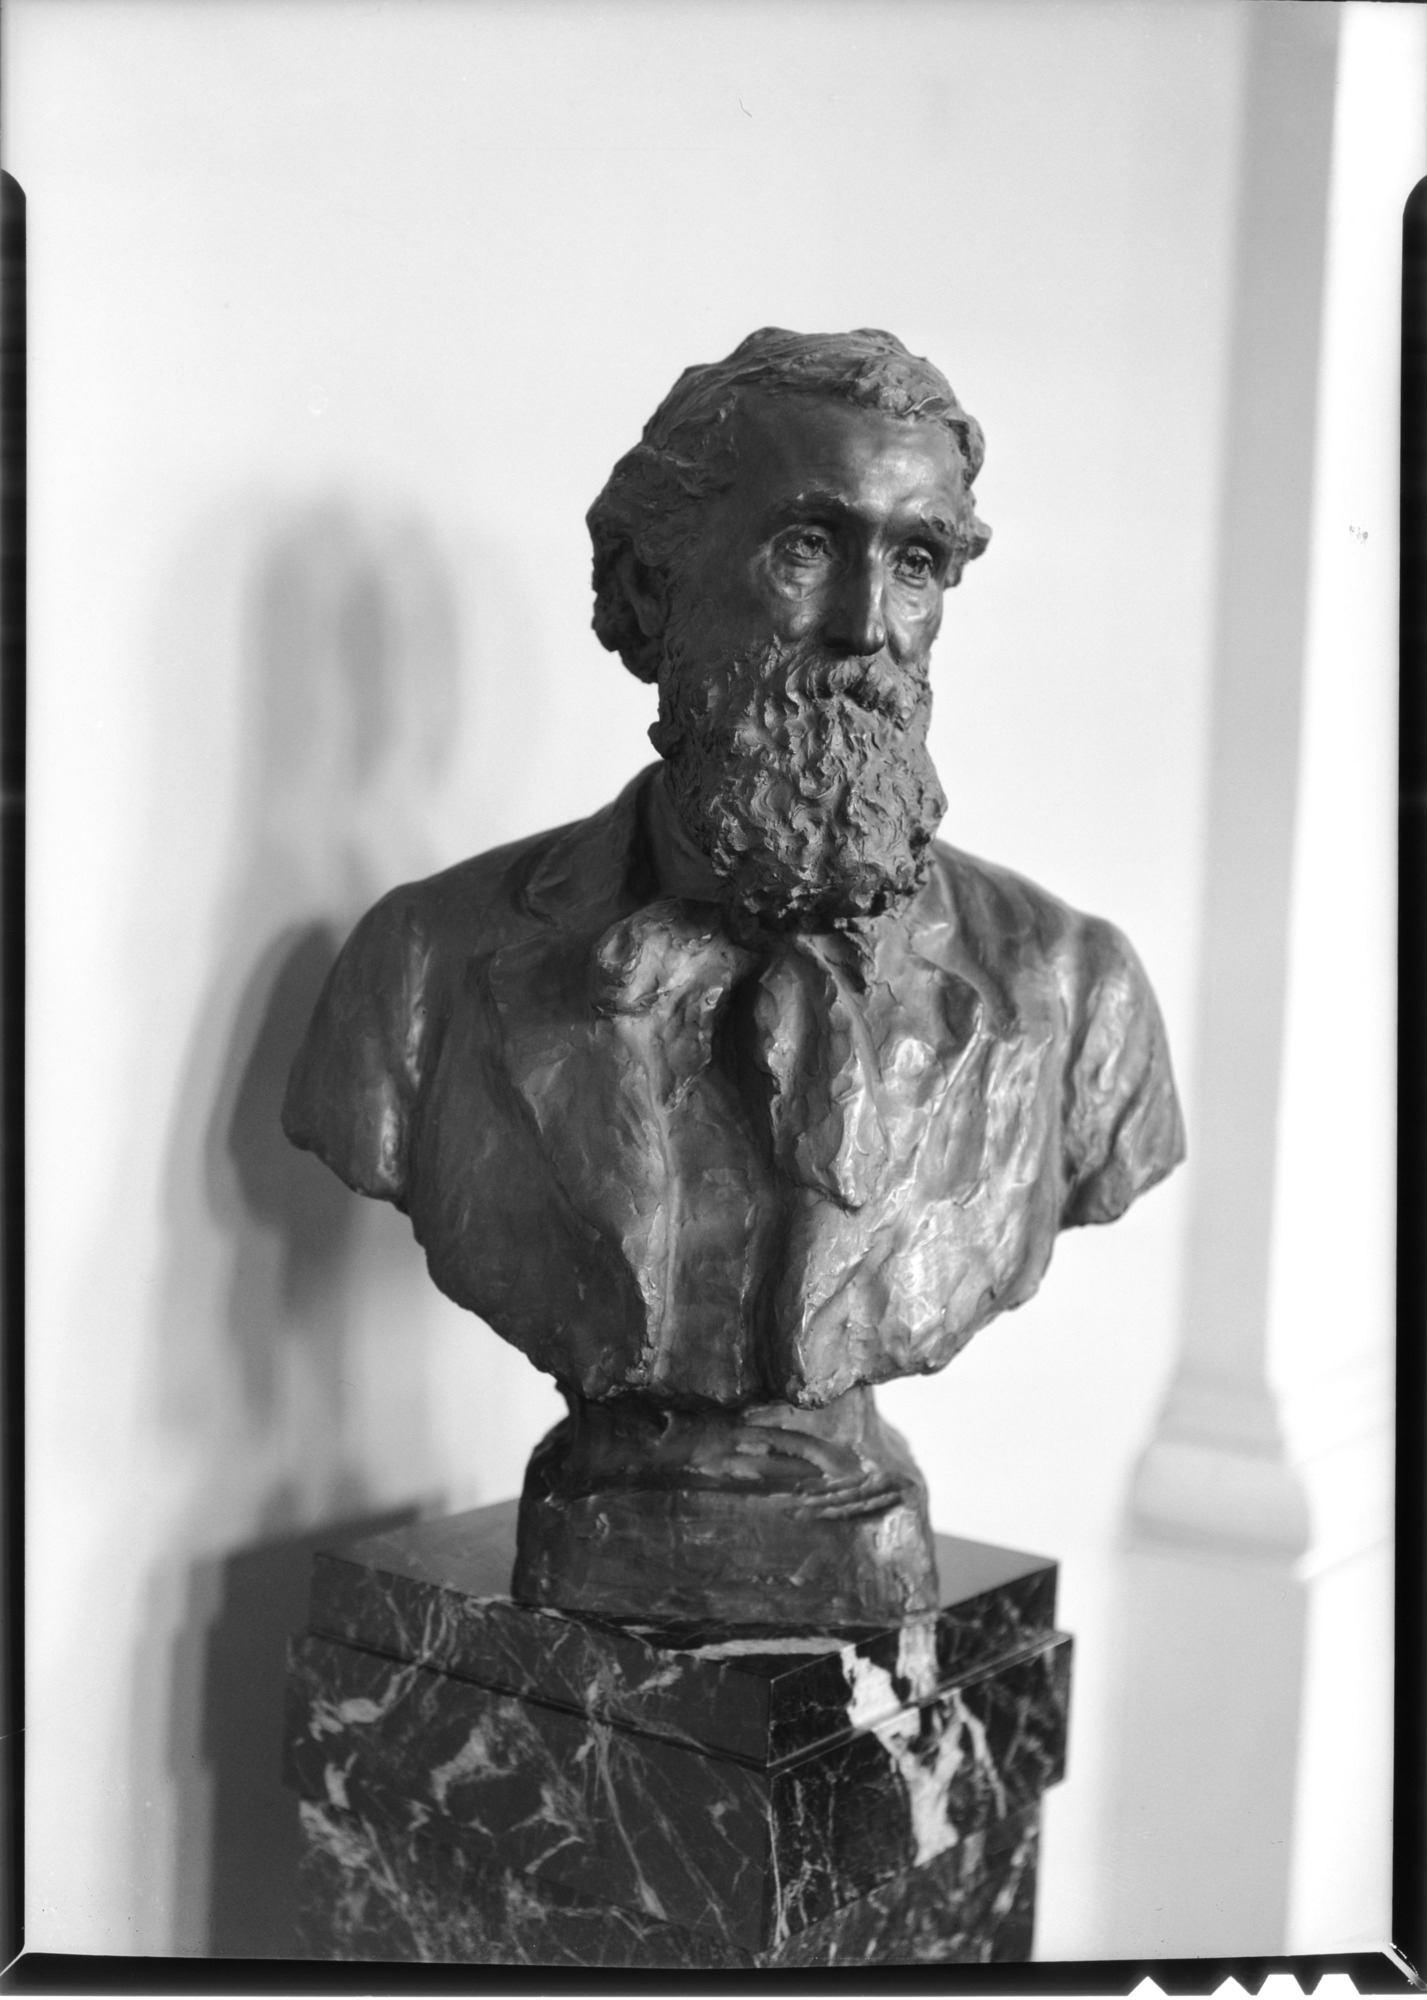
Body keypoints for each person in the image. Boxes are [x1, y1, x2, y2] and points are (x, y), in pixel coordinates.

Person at [282, 328, 1184, 1622]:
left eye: (916, 562)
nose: (866, 629)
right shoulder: (422, 968)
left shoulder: (1077, 995)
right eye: (807, 547)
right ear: (649, 591)